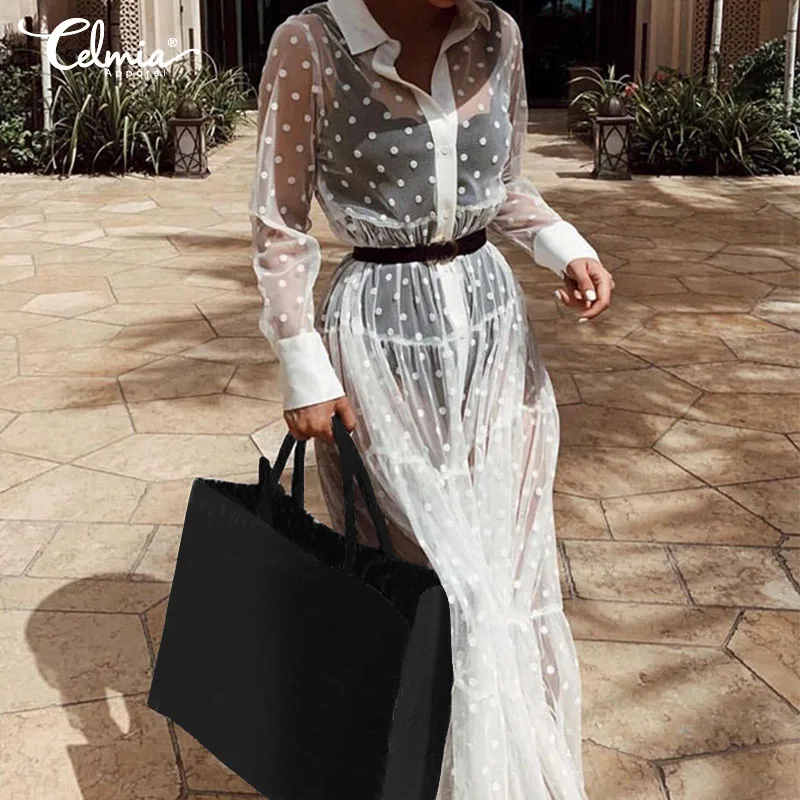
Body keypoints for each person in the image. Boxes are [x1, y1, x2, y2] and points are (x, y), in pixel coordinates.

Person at [249, 0, 614, 797]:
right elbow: (279, 222)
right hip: (380, 340)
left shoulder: (497, 34)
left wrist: (564, 247)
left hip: (492, 334)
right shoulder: (311, 43)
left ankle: (505, 775)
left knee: (508, 568)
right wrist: (304, 364)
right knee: (423, 575)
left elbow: (504, 183)